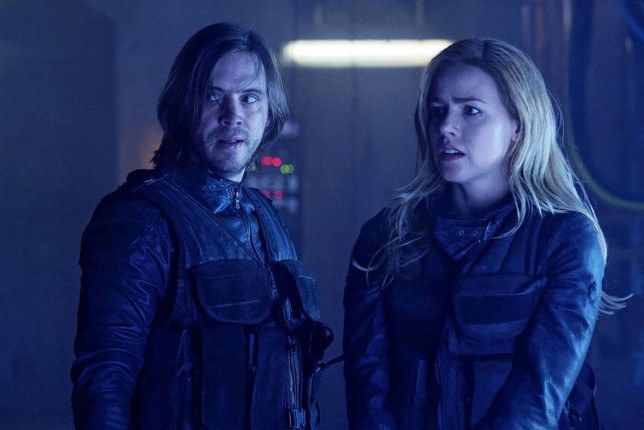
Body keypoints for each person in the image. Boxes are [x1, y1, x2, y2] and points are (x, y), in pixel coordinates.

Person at [343, 38, 627, 429]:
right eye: (437, 110)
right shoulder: (386, 237)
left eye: (471, 111)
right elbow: (368, 388)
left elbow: (539, 394)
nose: (446, 127)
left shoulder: (564, 238)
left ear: (517, 125)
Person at [71, 23, 332, 429]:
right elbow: (106, 381)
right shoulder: (141, 220)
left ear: (269, 113)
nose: (233, 116)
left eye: (249, 98)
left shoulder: (266, 216)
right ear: (183, 107)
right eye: (213, 96)